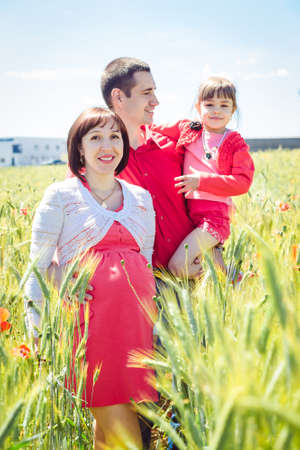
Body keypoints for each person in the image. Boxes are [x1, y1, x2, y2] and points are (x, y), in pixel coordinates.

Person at [24, 107, 158, 449]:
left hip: (137, 331)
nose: (106, 145)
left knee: (109, 435)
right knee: (124, 434)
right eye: (95, 137)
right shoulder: (61, 196)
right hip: (92, 332)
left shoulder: (141, 199)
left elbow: (144, 261)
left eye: (114, 136)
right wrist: (38, 325)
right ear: (79, 148)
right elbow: (37, 265)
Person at [101, 57, 203, 278]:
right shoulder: (95, 158)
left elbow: (210, 202)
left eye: (154, 91)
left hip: (195, 276)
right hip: (135, 287)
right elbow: (68, 218)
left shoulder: (173, 145)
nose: (155, 101)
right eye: (146, 92)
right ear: (118, 97)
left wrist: (214, 249)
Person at [152, 76, 255, 277]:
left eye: (224, 105)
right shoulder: (188, 129)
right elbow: (151, 130)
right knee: (220, 271)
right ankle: (240, 285)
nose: (216, 110)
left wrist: (200, 181)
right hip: (190, 217)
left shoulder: (234, 143)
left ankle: (230, 287)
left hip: (215, 218)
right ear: (199, 107)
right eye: (210, 104)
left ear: (233, 110)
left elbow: (242, 183)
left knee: (177, 267)